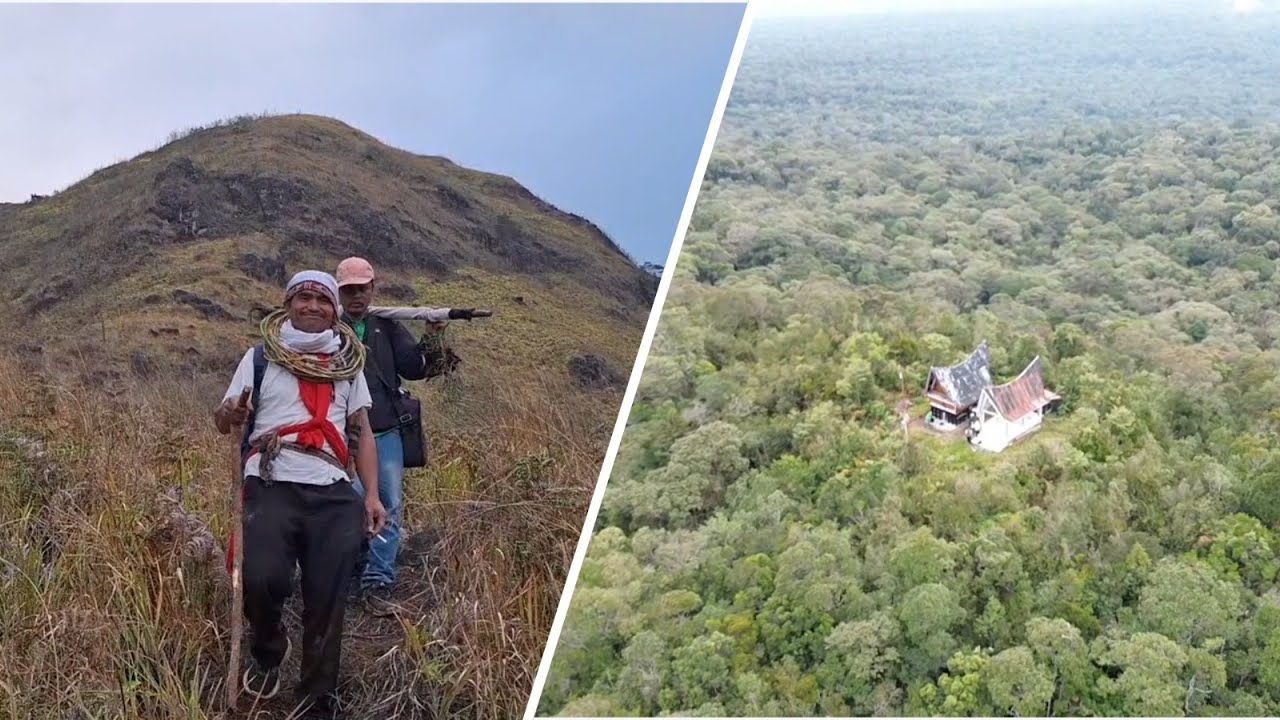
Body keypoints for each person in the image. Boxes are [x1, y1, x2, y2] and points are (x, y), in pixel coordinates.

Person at [214, 270, 387, 717]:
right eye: (303, 297)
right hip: (270, 479)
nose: (313, 306)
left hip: (332, 487)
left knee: (328, 594)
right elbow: (223, 420)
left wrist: (371, 495)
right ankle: (269, 648)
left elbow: (362, 431)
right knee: (261, 577)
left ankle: (317, 696)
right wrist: (232, 413)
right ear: (288, 304)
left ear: (334, 310)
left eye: (322, 300)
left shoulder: (348, 365)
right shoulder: (259, 358)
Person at [335, 256, 457, 612]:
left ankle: (378, 579)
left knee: (387, 504)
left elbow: (415, 367)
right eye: (349, 290)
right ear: (339, 293)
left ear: (373, 288)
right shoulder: (327, 329)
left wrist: (432, 337)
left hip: (385, 430)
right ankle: (348, 569)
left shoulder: (386, 326)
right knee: (342, 505)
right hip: (338, 435)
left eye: (362, 289)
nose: (357, 296)